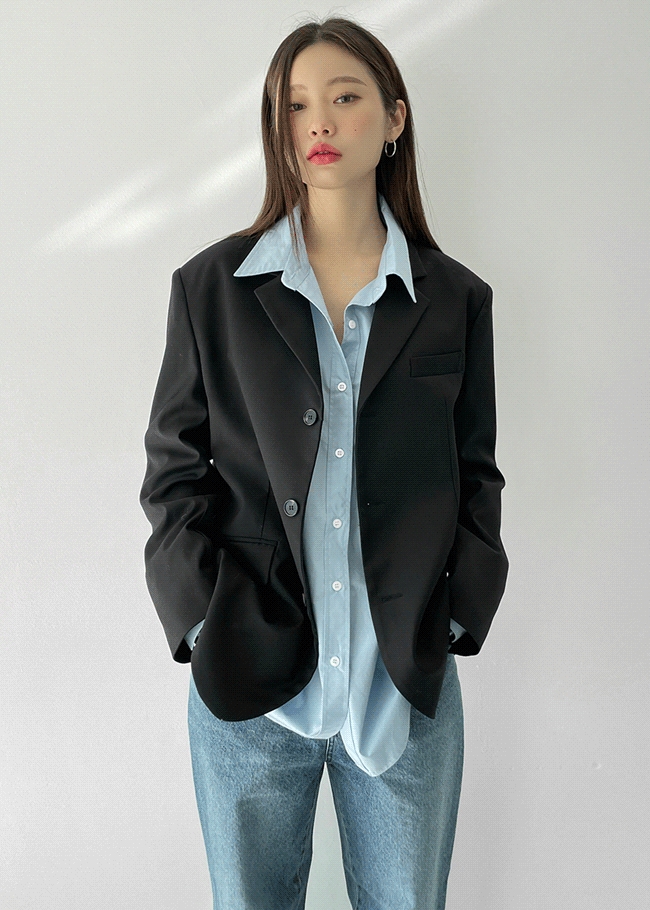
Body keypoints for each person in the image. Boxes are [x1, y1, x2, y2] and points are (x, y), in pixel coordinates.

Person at [140, 15, 508, 910]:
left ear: (395, 117)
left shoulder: (453, 298)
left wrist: (459, 611)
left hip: (402, 688)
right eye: (296, 105)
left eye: (345, 97)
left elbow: (476, 470)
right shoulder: (212, 290)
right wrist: (200, 619)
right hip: (249, 689)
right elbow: (173, 472)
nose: (320, 123)